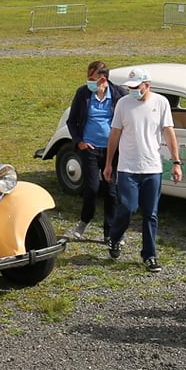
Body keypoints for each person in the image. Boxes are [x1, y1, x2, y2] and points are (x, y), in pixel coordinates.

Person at [102, 69, 181, 271]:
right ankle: (115, 236)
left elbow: (169, 133)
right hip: (128, 167)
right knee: (128, 207)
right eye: (131, 88)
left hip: (152, 167)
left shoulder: (161, 103)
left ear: (147, 85)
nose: (133, 91)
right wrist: (109, 163)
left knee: (150, 214)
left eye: (137, 87)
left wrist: (176, 162)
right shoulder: (123, 104)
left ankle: (149, 255)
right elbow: (115, 134)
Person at [64, 61, 124, 240]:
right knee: (91, 188)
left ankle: (109, 232)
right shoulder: (83, 94)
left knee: (111, 191)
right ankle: (84, 221)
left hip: (111, 150)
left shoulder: (118, 95)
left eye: (92, 79)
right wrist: (79, 142)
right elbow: (72, 121)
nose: (88, 82)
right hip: (89, 148)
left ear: (103, 79)